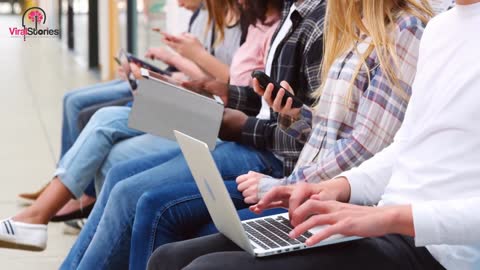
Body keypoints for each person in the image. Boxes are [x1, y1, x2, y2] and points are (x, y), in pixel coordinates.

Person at [148, 1, 480, 270]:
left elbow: (364, 143)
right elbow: (407, 146)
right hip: (383, 221)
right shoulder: (442, 29)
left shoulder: (411, 31)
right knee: (168, 258)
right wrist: (335, 187)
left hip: (435, 250)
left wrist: (385, 216)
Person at [0, 0, 244, 252]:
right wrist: (169, 72)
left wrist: (183, 60)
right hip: (200, 104)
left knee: (105, 122)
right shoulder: (220, 20)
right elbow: (212, 81)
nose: (178, 3)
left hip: (213, 117)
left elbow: (232, 87)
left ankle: (50, 209)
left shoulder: (245, 23)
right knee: (100, 121)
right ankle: (62, 206)